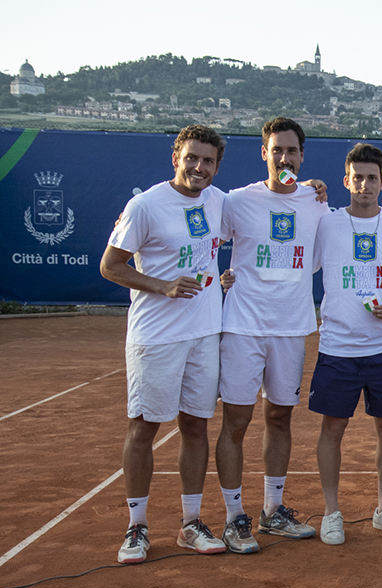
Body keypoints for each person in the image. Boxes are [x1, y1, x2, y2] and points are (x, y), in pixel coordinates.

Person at [100, 124, 228, 563]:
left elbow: (267, 201)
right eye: (191, 158)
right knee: (144, 428)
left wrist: (309, 187)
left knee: (196, 427)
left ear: (216, 166)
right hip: (156, 337)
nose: (199, 167)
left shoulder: (218, 201)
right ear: (176, 157)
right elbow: (111, 266)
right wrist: (162, 286)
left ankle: (190, 524)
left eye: (208, 161)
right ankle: (136, 527)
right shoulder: (146, 205)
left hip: (204, 334)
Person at [213, 117, 325, 553]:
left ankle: (272, 511)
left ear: (302, 156)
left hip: (291, 329)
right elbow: (201, 235)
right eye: (276, 150)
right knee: (236, 422)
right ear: (264, 153)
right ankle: (233, 516)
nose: (284, 158)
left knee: (280, 417)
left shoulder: (316, 203)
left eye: (292, 151)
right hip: (242, 328)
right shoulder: (237, 201)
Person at [310, 143, 382, 544]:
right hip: (338, 348)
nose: (364, 184)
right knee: (333, 429)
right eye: (357, 177)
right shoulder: (326, 224)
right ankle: (331, 512)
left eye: (371, 177)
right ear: (346, 181)